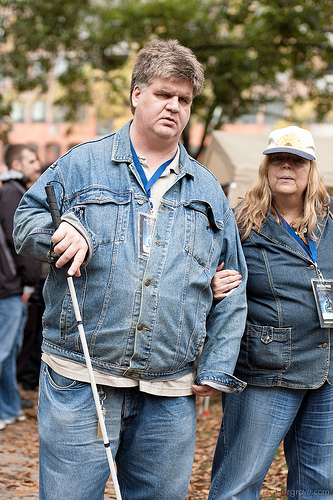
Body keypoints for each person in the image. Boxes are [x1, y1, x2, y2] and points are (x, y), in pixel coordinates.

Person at [13, 39, 247, 500]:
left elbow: (233, 282)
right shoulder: (83, 163)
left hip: (170, 385)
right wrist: (63, 232)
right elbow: (26, 222)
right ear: (137, 94)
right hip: (81, 374)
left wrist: (217, 365)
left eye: (184, 99)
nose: (174, 106)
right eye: (163, 94)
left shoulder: (208, 189)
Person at [209, 126, 333, 500]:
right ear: (265, 167)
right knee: (238, 482)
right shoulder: (241, 223)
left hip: (327, 368)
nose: (287, 168)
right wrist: (210, 286)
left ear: (312, 170)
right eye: (279, 159)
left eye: (297, 162)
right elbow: (200, 272)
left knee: (319, 485)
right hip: (266, 367)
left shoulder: (330, 221)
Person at [0, 144, 40, 429]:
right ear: (16, 162)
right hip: (11, 288)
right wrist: (26, 282)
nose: (36, 164)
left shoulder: (16, 190)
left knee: (10, 352)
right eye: (30, 159)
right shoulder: (12, 193)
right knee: (4, 352)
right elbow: (19, 241)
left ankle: (10, 408)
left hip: (16, 287)